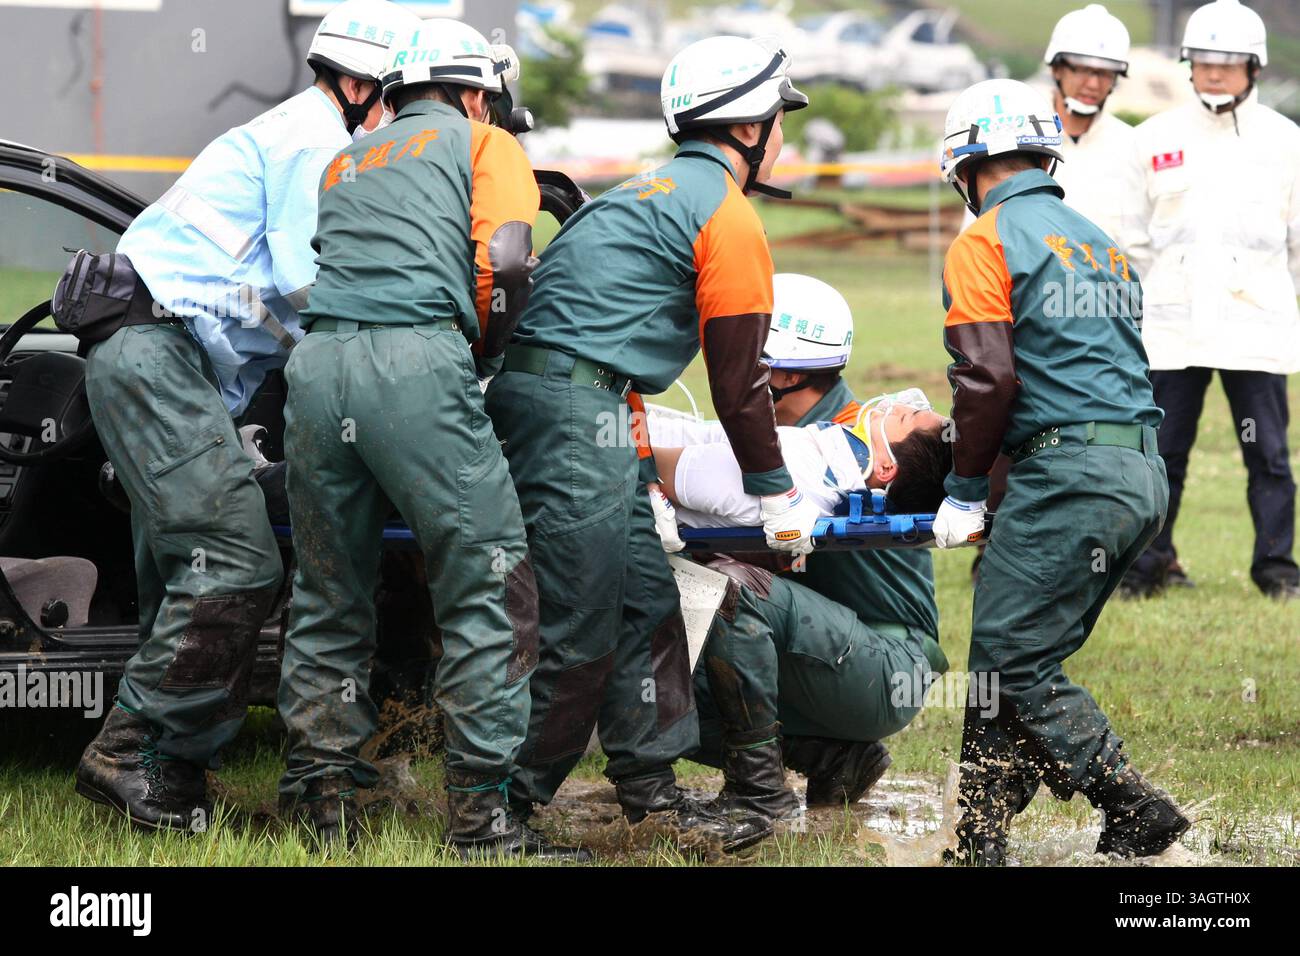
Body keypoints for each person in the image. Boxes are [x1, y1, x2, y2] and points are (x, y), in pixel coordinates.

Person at [74, 0, 418, 832]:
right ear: (363, 86)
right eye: (410, 100)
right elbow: (317, 290)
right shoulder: (318, 145)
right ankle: (126, 753)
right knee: (235, 561)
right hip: (156, 359)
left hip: (168, 365)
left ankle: (169, 776)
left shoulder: (315, 132)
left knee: (180, 577)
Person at [484, 35, 814, 851]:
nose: (785, 138)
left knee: (646, 599)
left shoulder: (644, 188)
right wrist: (778, 499)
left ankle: (651, 788)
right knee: (581, 625)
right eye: (779, 121)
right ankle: (502, 807)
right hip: (573, 414)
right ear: (748, 127)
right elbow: (740, 388)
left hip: (575, 406)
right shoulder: (726, 215)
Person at [273, 18, 584, 859]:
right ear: (477, 94)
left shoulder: (348, 159)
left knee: (330, 590)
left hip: (320, 363)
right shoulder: (485, 144)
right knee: (489, 582)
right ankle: (483, 815)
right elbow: (511, 259)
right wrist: (486, 350)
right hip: (414, 360)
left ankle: (320, 797)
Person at [933, 78, 1189, 864]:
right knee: (1009, 657)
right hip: (1140, 472)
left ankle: (1131, 799)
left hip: (1070, 475)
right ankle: (978, 840)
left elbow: (987, 380)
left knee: (1011, 660)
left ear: (967, 164)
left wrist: (965, 489)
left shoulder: (985, 241)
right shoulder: (1097, 241)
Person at [648, 274, 951, 845]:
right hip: (841, 652)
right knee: (649, 684)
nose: (727, 363)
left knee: (730, 588)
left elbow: (684, 467)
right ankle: (828, 754)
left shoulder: (830, 446)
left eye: (742, 350)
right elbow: (705, 444)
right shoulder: (820, 431)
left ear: (783, 374)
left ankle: (756, 796)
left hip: (883, 662)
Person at [1121, 0, 1300, 600]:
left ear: (1254, 67)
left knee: (1266, 456)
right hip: (1171, 333)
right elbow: (1132, 239)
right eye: (1203, 61)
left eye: (1228, 62)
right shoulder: (1153, 140)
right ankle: (1149, 567)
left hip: (1255, 331)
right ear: (1187, 65)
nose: (1215, 73)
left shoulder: (1285, 143)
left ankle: (1276, 569)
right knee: (1163, 456)